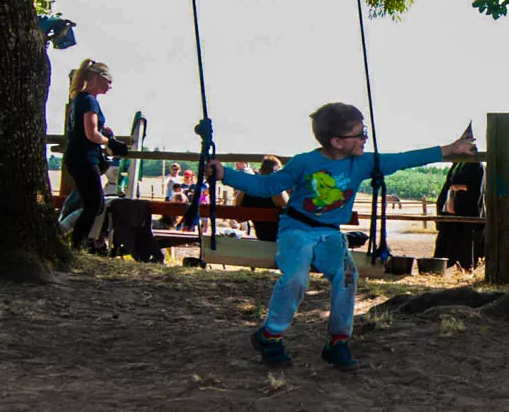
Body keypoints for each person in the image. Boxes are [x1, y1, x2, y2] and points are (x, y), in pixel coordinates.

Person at [207, 102, 476, 370]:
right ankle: (270, 335)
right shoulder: (305, 162)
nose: (364, 139)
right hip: (297, 229)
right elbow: (267, 186)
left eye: (365, 132)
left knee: (347, 276)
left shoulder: (362, 163)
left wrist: (449, 149)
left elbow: (404, 158)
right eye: (359, 134)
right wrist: (224, 174)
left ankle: (338, 341)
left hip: (330, 233)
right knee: (296, 279)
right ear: (336, 141)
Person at [63, 59, 116, 251]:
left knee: (92, 203)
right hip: (84, 157)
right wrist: (108, 141)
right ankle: (76, 244)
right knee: (95, 204)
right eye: (108, 81)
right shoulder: (89, 101)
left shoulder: (80, 99)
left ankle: (75, 241)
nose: (110, 86)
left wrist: (103, 130)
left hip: (77, 156)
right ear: (96, 78)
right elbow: (91, 134)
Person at [433, 126, 484, 271]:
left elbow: (476, 188)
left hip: (466, 208)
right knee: (446, 238)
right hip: (451, 207)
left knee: (465, 241)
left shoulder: (476, 165)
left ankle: (466, 268)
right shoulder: (457, 164)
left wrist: (458, 187)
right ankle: (439, 266)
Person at [234, 155, 290, 242]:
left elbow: (238, 217)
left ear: (260, 171)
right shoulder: (277, 191)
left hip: (262, 238)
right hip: (280, 241)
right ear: (277, 172)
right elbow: (291, 216)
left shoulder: (247, 189)